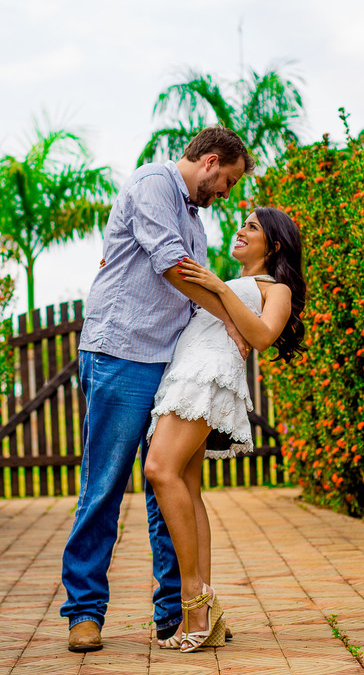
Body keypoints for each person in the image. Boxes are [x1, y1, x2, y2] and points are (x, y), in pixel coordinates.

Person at [62, 127, 255, 653]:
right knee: (104, 484)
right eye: (229, 181)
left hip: (169, 363)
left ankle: (176, 613)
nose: (227, 194)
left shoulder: (195, 220)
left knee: (167, 488)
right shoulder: (152, 184)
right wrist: (234, 321)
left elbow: (193, 293)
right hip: (121, 353)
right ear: (210, 162)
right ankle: (84, 612)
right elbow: (172, 267)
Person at [143, 207, 306, 652]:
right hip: (186, 368)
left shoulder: (278, 288)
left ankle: (195, 600)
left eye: (252, 227)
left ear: (272, 245)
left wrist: (215, 285)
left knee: (160, 470)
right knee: (187, 487)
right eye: (243, 223)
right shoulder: (237, 283)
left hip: (209, 373)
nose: (241, 229)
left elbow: (263, 336)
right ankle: (203, 608)